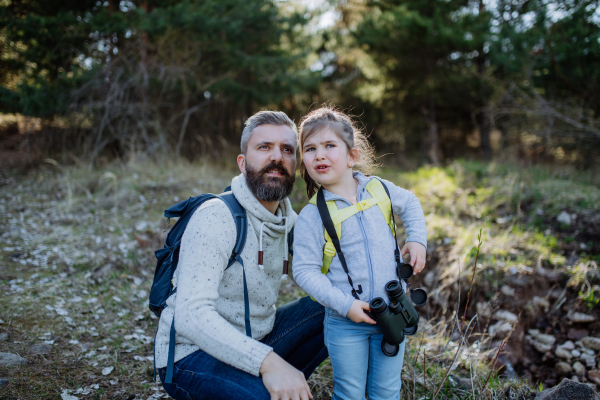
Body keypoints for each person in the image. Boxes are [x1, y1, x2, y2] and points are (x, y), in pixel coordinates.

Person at [154, 111, 328, 400]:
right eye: (264, 147)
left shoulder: (290, 222)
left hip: (257, 340)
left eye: (287, 149)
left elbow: (335, 267)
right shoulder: (216, 217)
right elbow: (190, 316)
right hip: (191, 356)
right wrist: (268, 362)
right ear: (242, 162)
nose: (277, 157)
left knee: (333, 306)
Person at [292, 107, 427, 400]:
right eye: (310, 148)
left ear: (352, 156)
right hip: (345, 324)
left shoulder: (379, 189)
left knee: (386, 392)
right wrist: (344, 305)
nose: (319, 155)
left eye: (329, 146)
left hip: (394, 312)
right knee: (350, 393)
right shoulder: (312, 216)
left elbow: (412, 203)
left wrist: (417, 241)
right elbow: (304, 270)